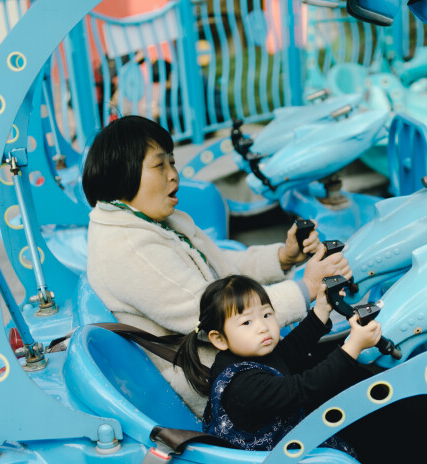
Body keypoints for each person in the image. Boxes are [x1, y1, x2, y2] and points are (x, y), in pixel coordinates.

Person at [82, 115, 351, 411]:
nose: (174, 175)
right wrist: (306, 288)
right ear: (122, 175)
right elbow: (215, 312)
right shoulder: (130, 247)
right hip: (224, 387)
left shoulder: (151, 220)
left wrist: (282, 257)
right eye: (160, 165)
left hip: (239, 356)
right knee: (347, 377)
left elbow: (224, 270)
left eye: (172, 162)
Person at [174, 275, 381, 452]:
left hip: (287, 440)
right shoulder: (243, 386)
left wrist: (320, 311)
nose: (263, 327)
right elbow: (303, 389)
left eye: (266, 314)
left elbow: (288, 353)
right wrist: (353, 346)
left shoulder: (246, 353)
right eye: (247, 322)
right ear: (219, 339)